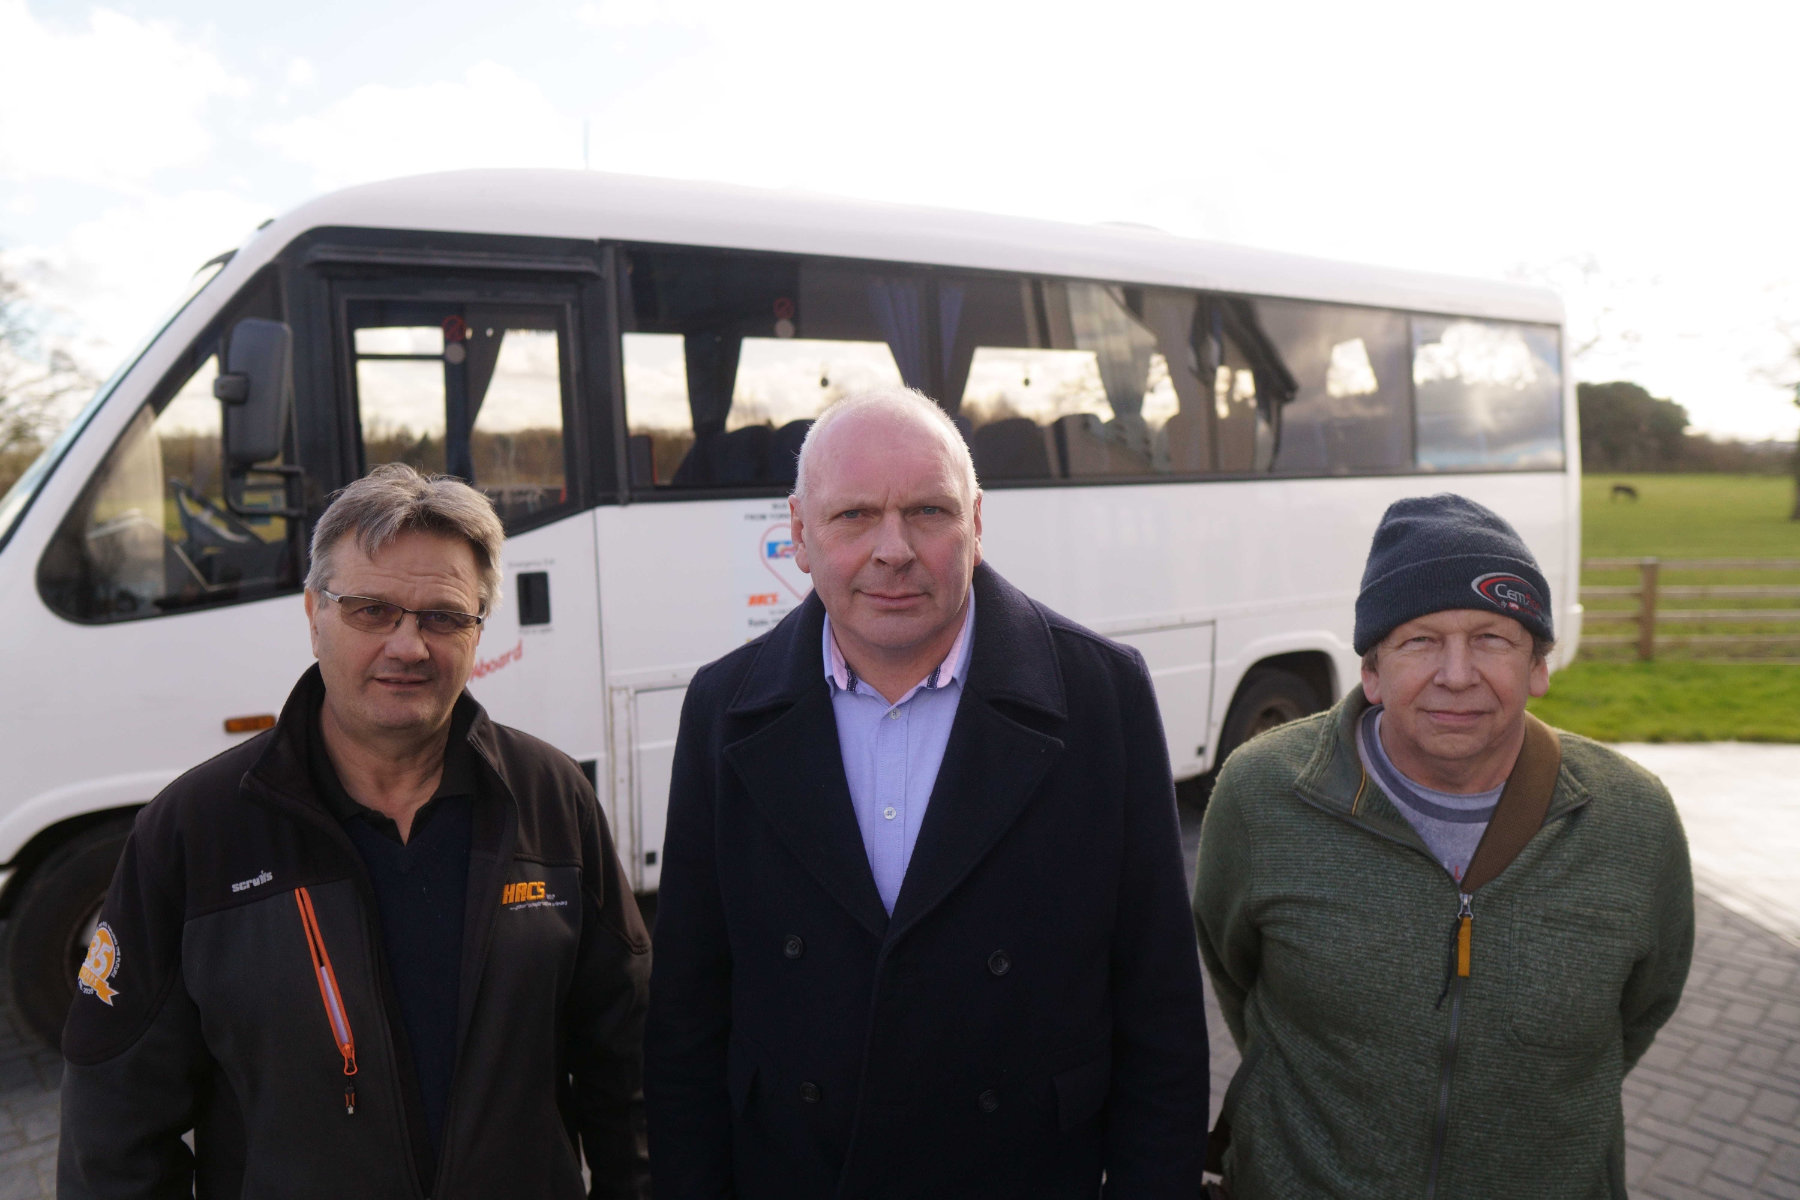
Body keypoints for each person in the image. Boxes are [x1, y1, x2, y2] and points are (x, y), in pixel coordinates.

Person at [645, 387, 1209, 1198]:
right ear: (799, 535)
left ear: (976, 524)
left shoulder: (1100, 695)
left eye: (928, 512)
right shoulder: (723, 708)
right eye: (853, 518)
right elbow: (688, 1023)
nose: (893, 549)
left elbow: (1160, 1016)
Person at [59, 464, 650, 1200]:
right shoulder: (195, 830)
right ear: (313, 614)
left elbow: (626, 1070)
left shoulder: (550, 799)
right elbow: (113, 1129)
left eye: (442, 616)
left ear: (476, 633)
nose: (408, 646)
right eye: (372, 611)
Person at [1193, 493, 1694, 1200]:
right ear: (1371, 671)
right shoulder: (1262, 794)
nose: (1456, 674)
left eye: (1492, 638)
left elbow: (1643, 1008)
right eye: (1420, 640)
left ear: (1539, 666)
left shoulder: (1633, 820)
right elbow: (1235, 974)